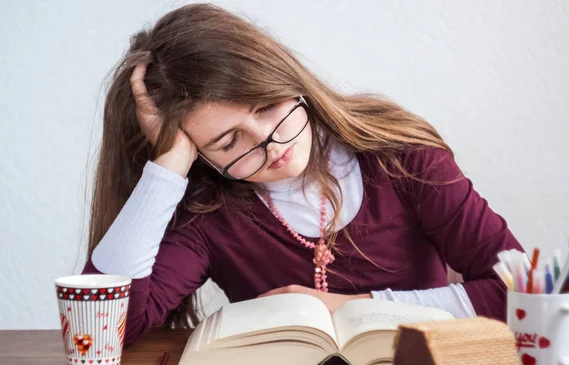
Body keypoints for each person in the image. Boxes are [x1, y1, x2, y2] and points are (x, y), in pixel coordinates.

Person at [82, 3, 523, 347]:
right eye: (228, 142)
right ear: (202, 155)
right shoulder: (208, 212)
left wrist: (346, 308)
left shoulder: (401, 157)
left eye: (265, 106)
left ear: (288, 79)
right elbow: (103, 329)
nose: (270, 143)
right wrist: (168, 167)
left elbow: (519, 294)